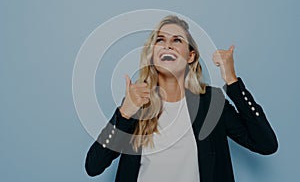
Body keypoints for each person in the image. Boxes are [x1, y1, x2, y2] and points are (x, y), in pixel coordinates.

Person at [85, 15, 278, 182]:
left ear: (191, 56)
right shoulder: (137, 103)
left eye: (177, 40)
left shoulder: (211, 103)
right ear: (153, 55)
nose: (168, 44)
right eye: (160, 40)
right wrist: (124, 113)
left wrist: (233, 82)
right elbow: (93, 166)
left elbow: (266, 144)